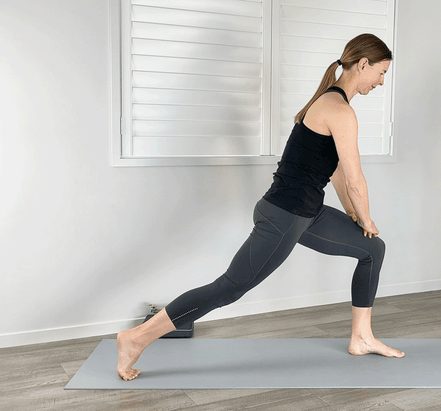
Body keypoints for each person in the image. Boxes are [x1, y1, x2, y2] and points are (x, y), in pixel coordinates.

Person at [116, 33, 403, 381]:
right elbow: (357, 178)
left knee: (372, 248)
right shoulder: (339, 109)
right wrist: (368, 216)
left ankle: (360, 337)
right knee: (229, 288)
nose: (382, 81)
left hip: (307, 214)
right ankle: (136, 338)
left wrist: (355, 215)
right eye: (381, 72)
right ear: (362, 65)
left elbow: (340, 172)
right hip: (284, 216)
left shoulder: (333, 104)